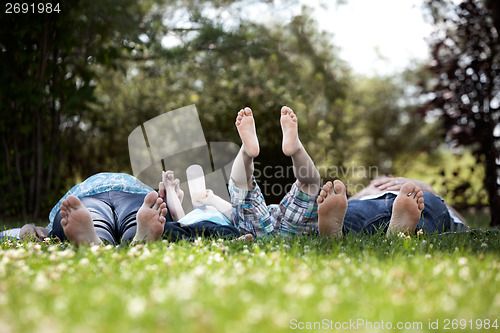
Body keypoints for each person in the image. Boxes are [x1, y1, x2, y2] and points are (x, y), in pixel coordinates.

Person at [18, 172, 243, 245]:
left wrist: (30, 229)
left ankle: (95, 241)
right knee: (135, 220)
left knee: (92, 220)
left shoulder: (76, 194)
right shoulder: (135, 185)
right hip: (133, 197)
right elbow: (180, 222)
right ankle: (137, 239)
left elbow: (35, 230)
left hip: (87, 199)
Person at [228, 106, 321, 237]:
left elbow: (228, 210)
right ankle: (297, 149)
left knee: (241, 184)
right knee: (310, 184)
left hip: (255, 232)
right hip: (292, 230)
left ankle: (246, 151)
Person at [316, 175, 468, 238]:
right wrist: (365, 191)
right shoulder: (366, 191)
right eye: (379, 180)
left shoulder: (415, 189)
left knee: (353, 214)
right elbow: (462, 225)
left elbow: (464, 225)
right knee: (349, 211)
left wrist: (427, 188)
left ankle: (336, 235)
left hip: (408, 205)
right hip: (371, 202)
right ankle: (402, 234)